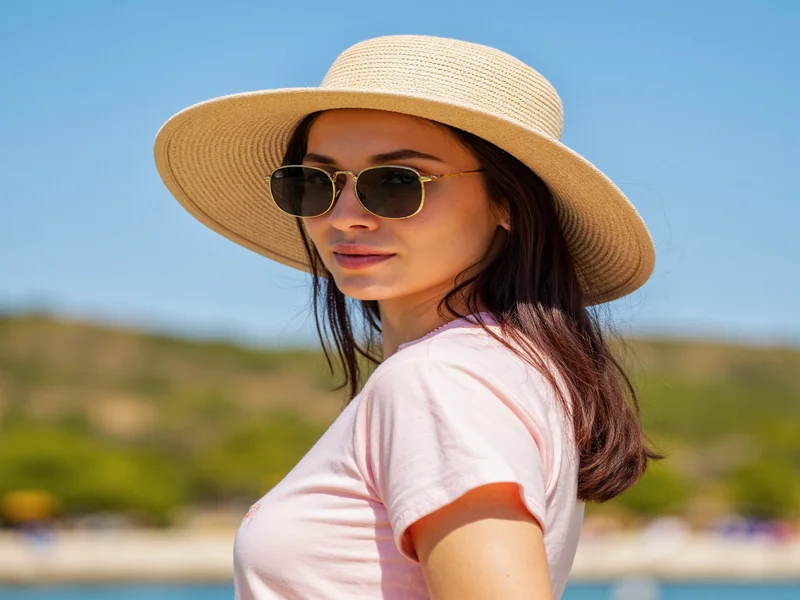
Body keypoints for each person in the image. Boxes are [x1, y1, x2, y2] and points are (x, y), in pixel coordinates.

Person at [154, 34, 661, 600]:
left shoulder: (440, 380)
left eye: (396, 183)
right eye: (314, 182)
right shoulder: (509, 369)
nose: (345, 216)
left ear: (509, 203)